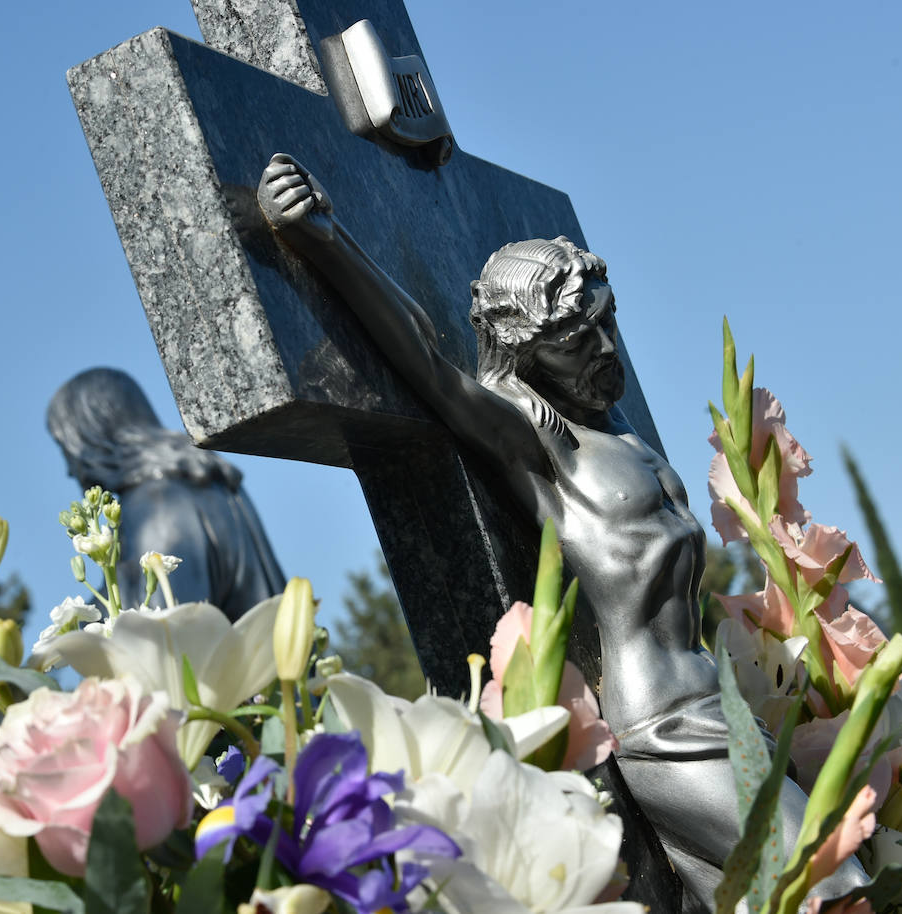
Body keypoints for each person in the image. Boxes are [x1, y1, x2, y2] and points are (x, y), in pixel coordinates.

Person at [256, 153, 864, 910]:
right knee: (831, 884)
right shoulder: (541, 447)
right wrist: (324, 238)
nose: (606, 351)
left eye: (606, 324)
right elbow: (429, 361)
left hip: (720, 706)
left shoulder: (630, 441)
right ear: (523, 350)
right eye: (576, 340)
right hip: (665, 726)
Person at [47, 367, 286, 620]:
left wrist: (66, 637)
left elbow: (161, 630)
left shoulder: (157, 501)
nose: (69, 471)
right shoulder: (206, 481)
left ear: (95, 437)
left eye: (66, 449)